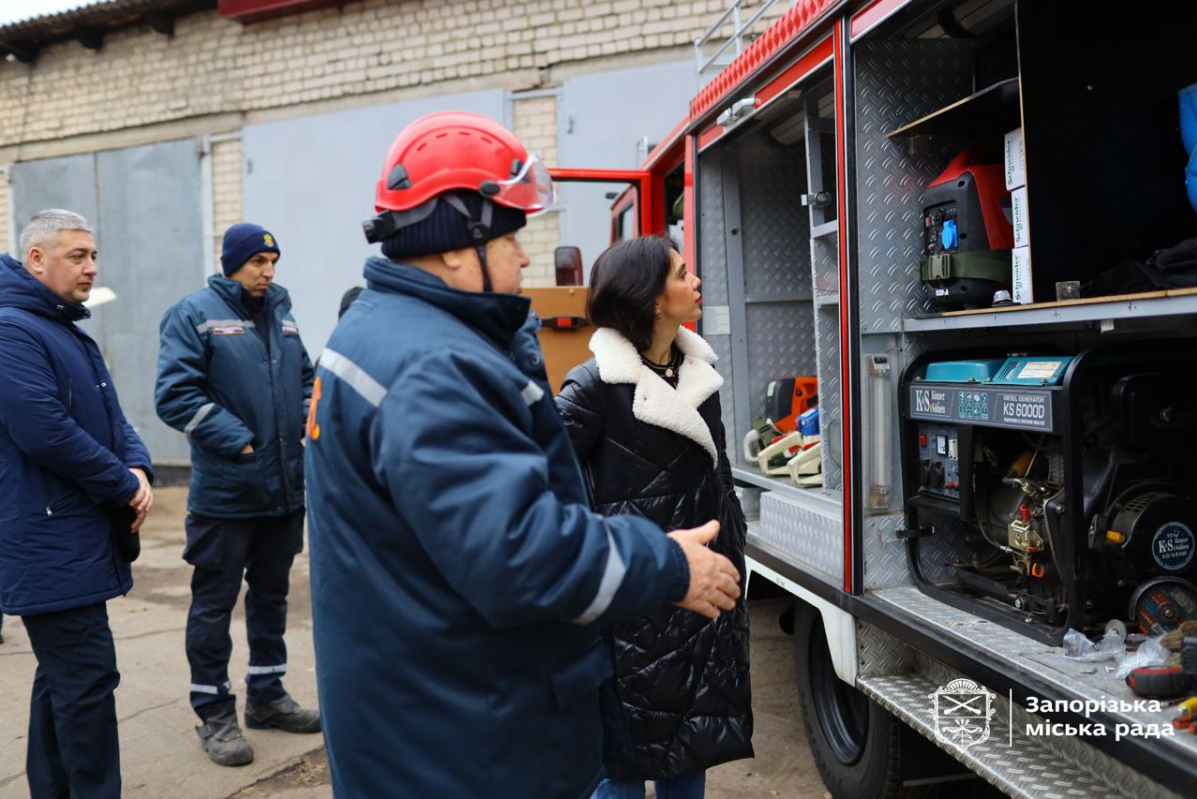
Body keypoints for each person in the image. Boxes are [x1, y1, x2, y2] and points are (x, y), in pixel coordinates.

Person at [304, 110, 742, 798]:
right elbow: (518, 555)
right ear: (455, 245)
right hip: (465, 748)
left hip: (424, 718)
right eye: (510, 237)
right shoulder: (432, 367)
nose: (527, 256)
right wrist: (665, 561)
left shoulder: (381, 332)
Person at [557, 236, 754, 799]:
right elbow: (550, 490)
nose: (695, 282)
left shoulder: (698, 374)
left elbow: (718, 479)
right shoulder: (594, 385)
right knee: (621, 772)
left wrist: (733, 546)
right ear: (649, 299)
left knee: (691, 752)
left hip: (703, 592)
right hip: (635, 602)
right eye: (682, 273)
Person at [0, 209, 154, 799]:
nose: (92, 267)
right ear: (36, 258)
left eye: (94, 256)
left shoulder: (62, 328)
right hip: (49, 540)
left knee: (62, 680)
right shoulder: (14, 330)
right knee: (86, 682)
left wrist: (138, 467)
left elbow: (113, 417)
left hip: (73, 536)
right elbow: (45, 431)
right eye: (78, 256)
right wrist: (122, 485)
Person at [155, 223, 319, 767]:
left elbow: (304, 379)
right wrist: (241, 443)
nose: (267, 272)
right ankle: (213, 710)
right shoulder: (195, 314)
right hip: (227, 493)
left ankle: (267, 696)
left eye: (273, 262)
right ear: (231, 263)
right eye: (256, 262)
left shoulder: (283, 313)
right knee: (213, 605)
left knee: (272, 599)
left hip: (282, 491)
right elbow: (176, 395)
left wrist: (302, 424)